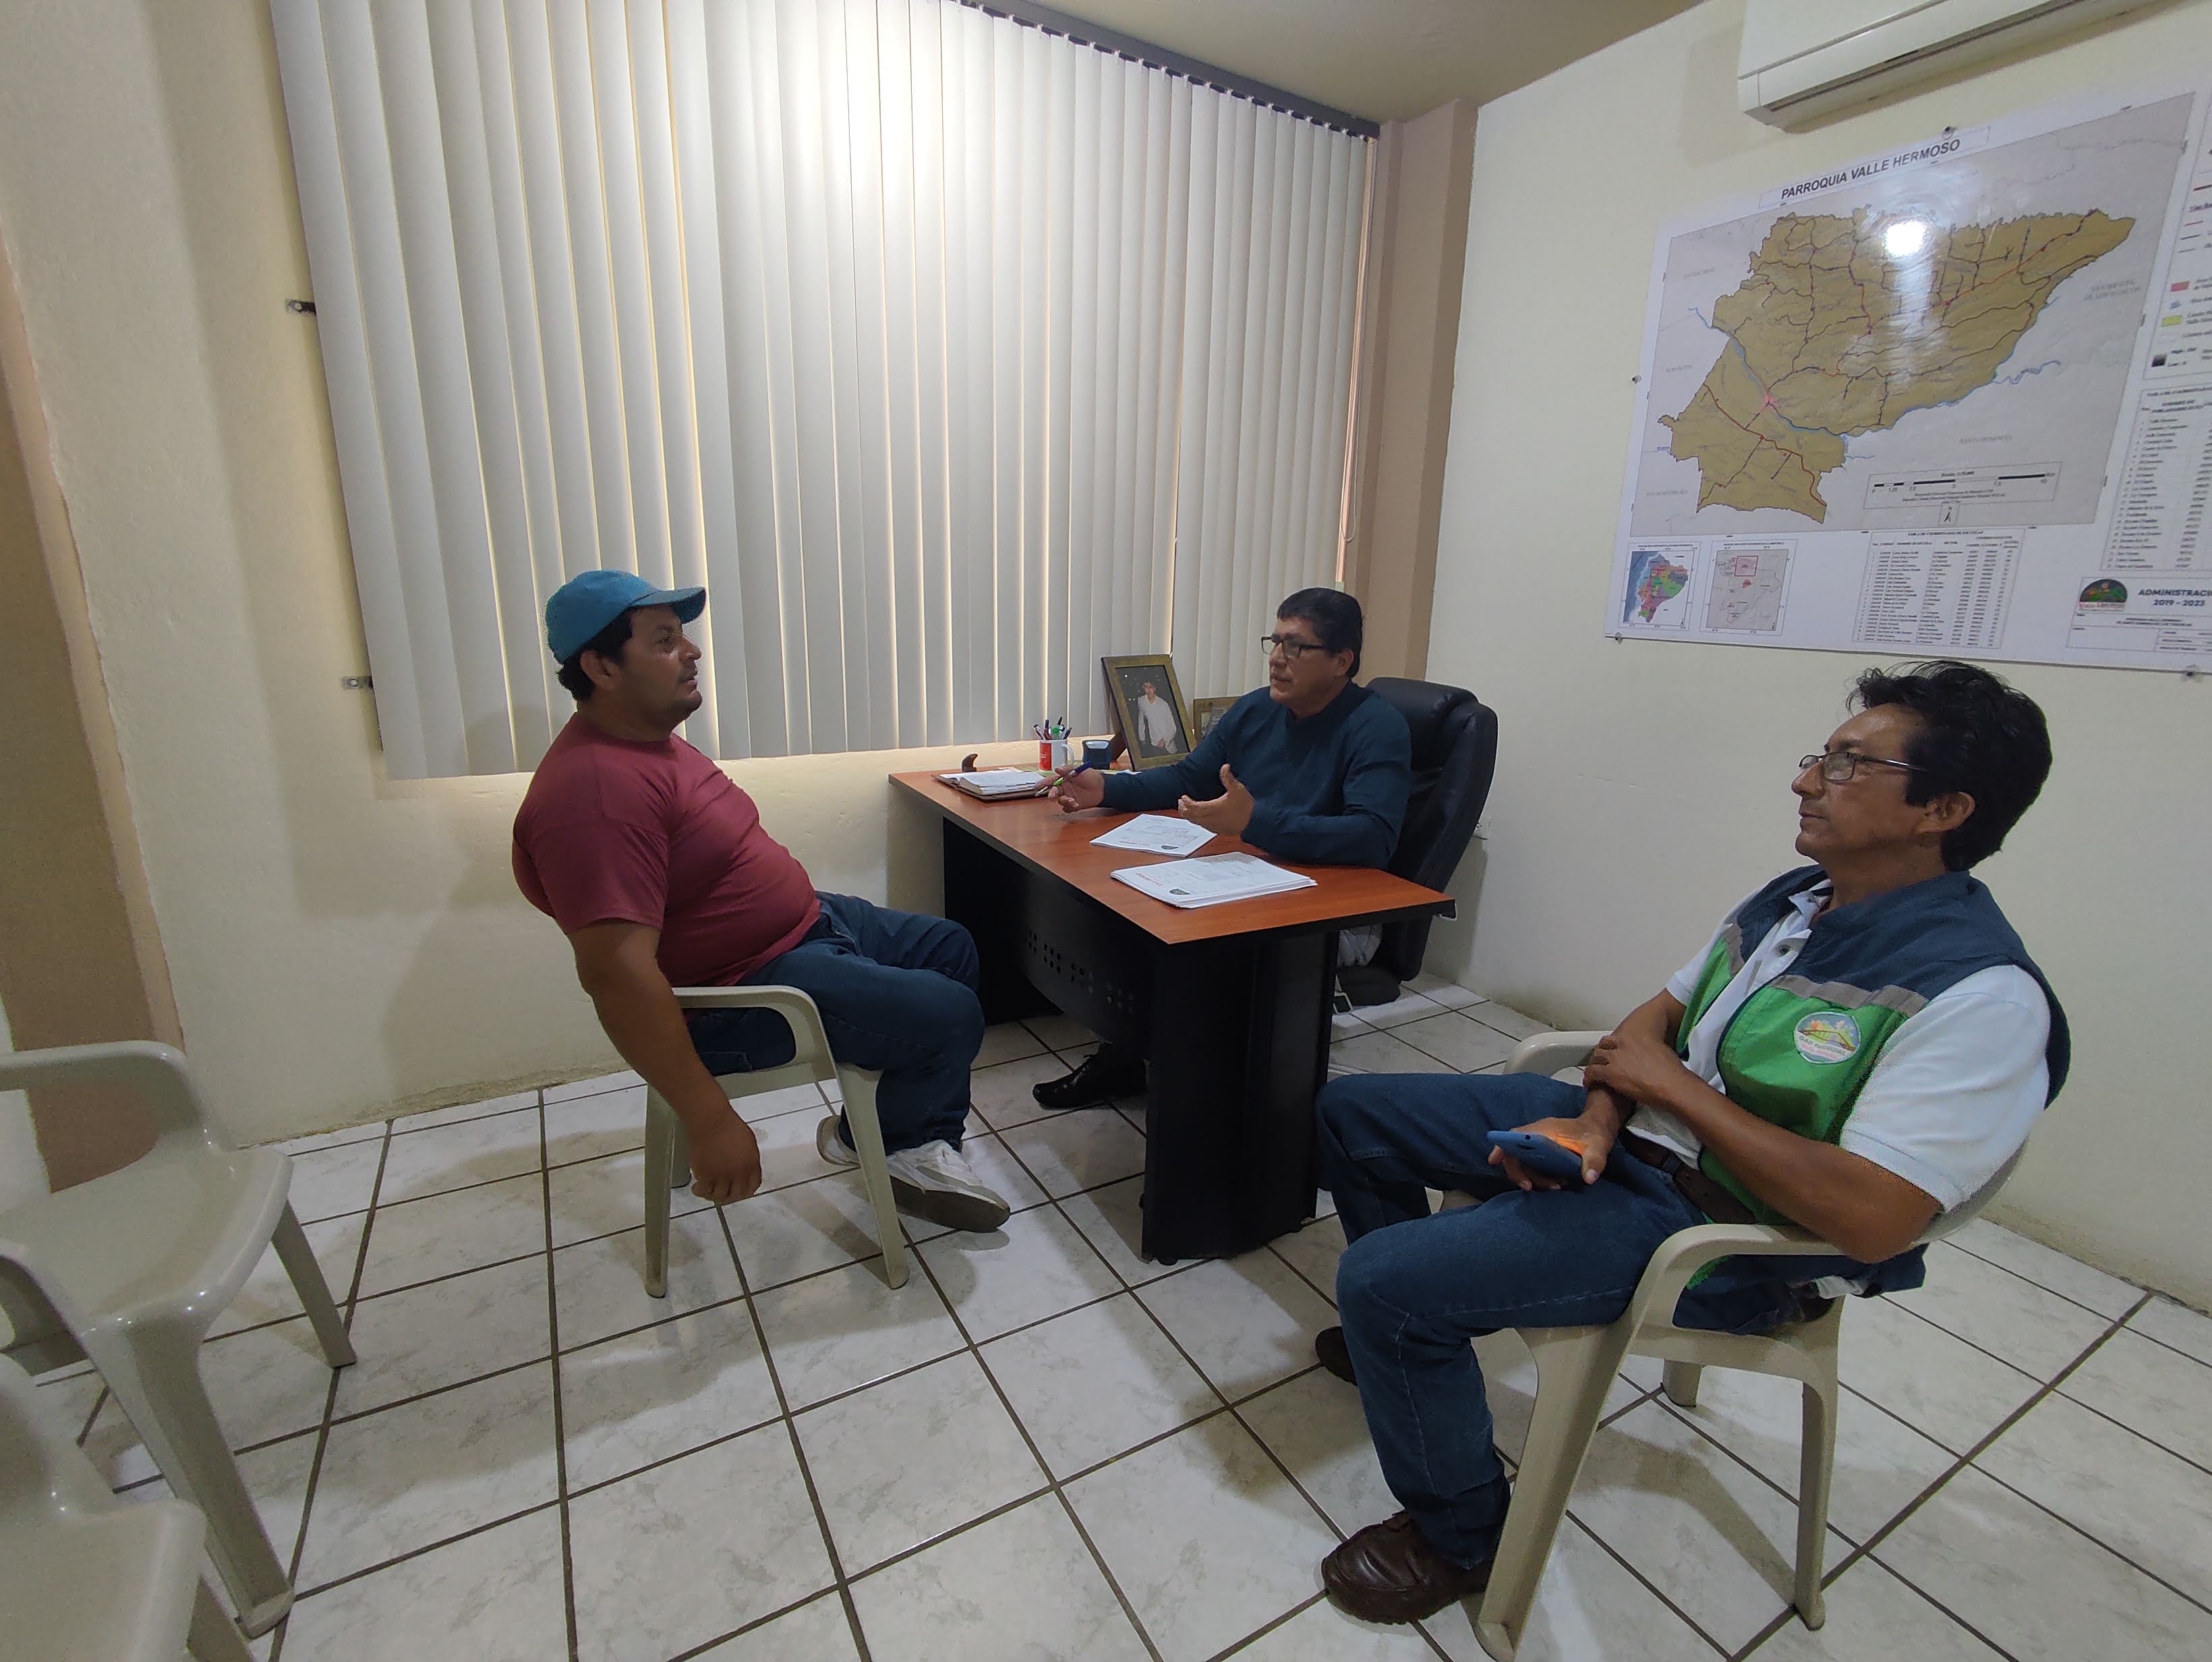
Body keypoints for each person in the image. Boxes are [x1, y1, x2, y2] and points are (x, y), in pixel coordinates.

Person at [1310, 660, 2068, 1625]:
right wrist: (1594, 1122)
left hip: (1717, 1236)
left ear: (1944, 810)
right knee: (1354, 1113)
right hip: (1634, 1146)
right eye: (1820, 757)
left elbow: (1874, 1219)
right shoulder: (1797, 900)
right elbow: (1656, 1018)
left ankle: (1461, 1535)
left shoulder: (1981, 998)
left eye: (1846, 765)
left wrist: (1668, 1092)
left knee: (1384, 1281)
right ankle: (1414, 1336)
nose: (1805, 781)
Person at [512, 570, 1010, 1232]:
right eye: (663, 641)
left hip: (801, 930)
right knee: (948, 1013)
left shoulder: (647, 742)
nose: (691, 652)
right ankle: (904, 1145)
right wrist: (710, 1119)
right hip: (740, 993)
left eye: (682, 636)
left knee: (950, 946)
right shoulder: (593, 796)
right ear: (601, 668)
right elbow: (615, 976)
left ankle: (891, 1137)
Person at [1034, 588, 1412, 1109]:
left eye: (1297, 646)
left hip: (1330, 911)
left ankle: (1203, 1100)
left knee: (1185, 942)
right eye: (1275, 642)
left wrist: (1255, 822)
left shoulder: (1377, 728)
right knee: (1126, 906)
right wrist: (1108, 789)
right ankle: (1129, 1055)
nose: (1278, 659)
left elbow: (1372, 838)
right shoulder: (1257, 709)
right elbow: (1188, 777)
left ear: (1341, 661)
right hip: (1250, 875)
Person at [1133, 679, 1180, 755]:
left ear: (1155, 688)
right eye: (1146, 687)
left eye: (1150, 687)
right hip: (1151, 744)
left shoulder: (1163, 704)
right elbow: (1141, 720)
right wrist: (1142, 738)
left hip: (1165, 745)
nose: (1148, 690)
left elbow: (1172, 727)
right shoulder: (1141, 701)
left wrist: (1165, 740)